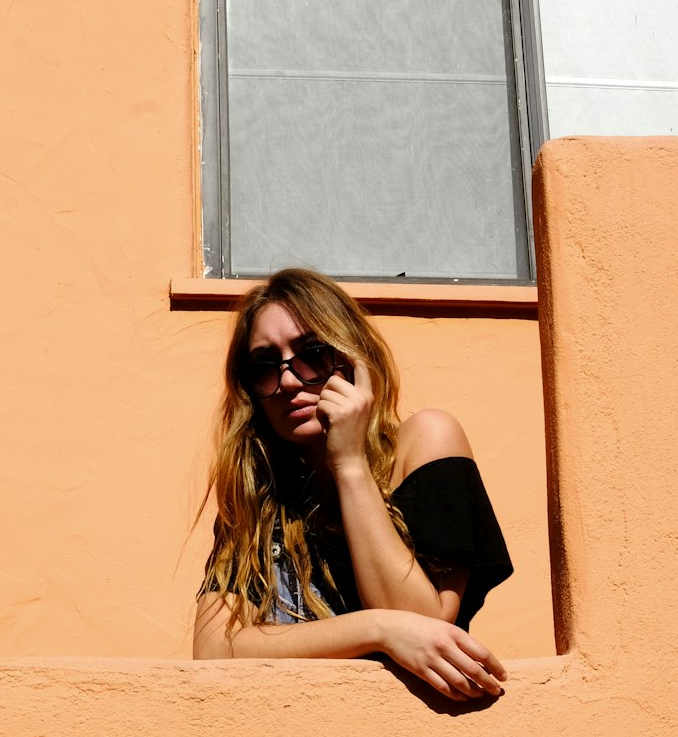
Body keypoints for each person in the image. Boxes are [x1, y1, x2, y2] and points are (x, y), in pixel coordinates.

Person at [193, 268, 513, 701]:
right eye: (266, 365)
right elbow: (213, 649)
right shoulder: (259, 496)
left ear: (355, 358)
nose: (288, 381)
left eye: (313, 353)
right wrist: (374, 629)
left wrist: (349, 464)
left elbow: (427, 623)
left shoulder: (425, 443)